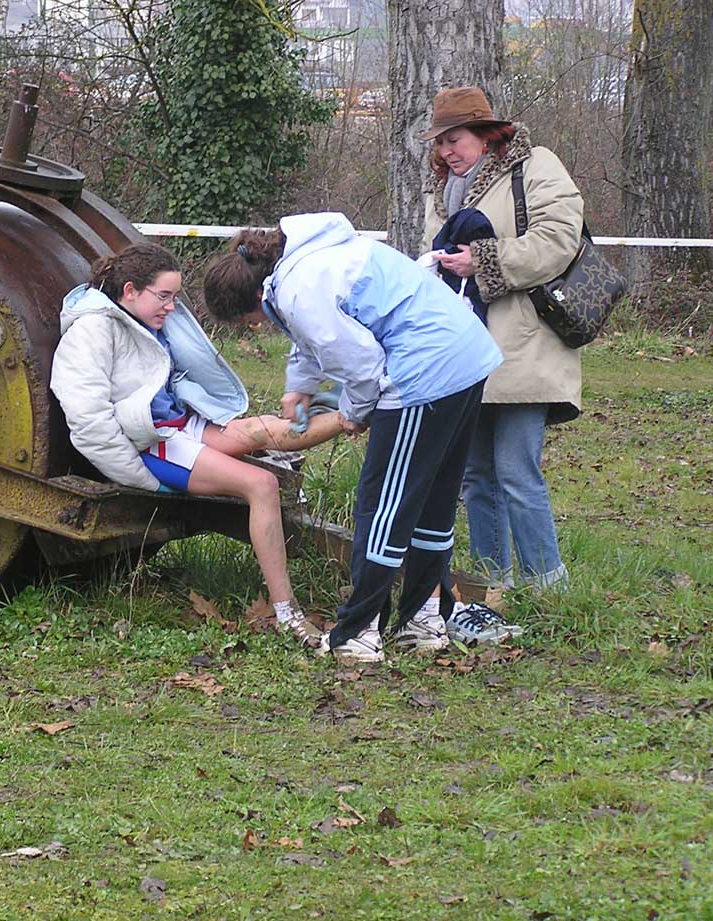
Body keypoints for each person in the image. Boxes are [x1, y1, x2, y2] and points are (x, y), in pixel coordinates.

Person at [203, 213, 503, 663]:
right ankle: (423, 620)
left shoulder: (299, 289)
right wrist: (300, 387)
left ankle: (359, 631)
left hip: (422, 373)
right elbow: (314, 336)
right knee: (432, 501)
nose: (259, 327)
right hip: (465, 358)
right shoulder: (311, 259)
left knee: (381, 506)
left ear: (258, 298)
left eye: (252, 320)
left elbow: (362, 366)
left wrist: (353, 413)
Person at [50, 243, 345, 648]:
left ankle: (354, 415)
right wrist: (138, 477)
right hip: (154, 444)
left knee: (260, 430)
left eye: (175, 296)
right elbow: (88, 422)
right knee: (262, 485)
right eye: (164, 296)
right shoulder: (91, 331)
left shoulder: (143, 319)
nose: (172, 307)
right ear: (130, 290)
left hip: (182, 424)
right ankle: (287, 613)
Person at [420, 86, 583, 620]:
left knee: (516, 472)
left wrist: (485, 261)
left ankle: (549, 592)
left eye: (455, 138)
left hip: (524, 347)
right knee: (476, 477)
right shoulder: (443, 190)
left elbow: (560, 239)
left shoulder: (534, 166)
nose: (446, 150)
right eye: (440, 141)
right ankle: (492, 587)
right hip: (464, 355)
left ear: (487, 135)